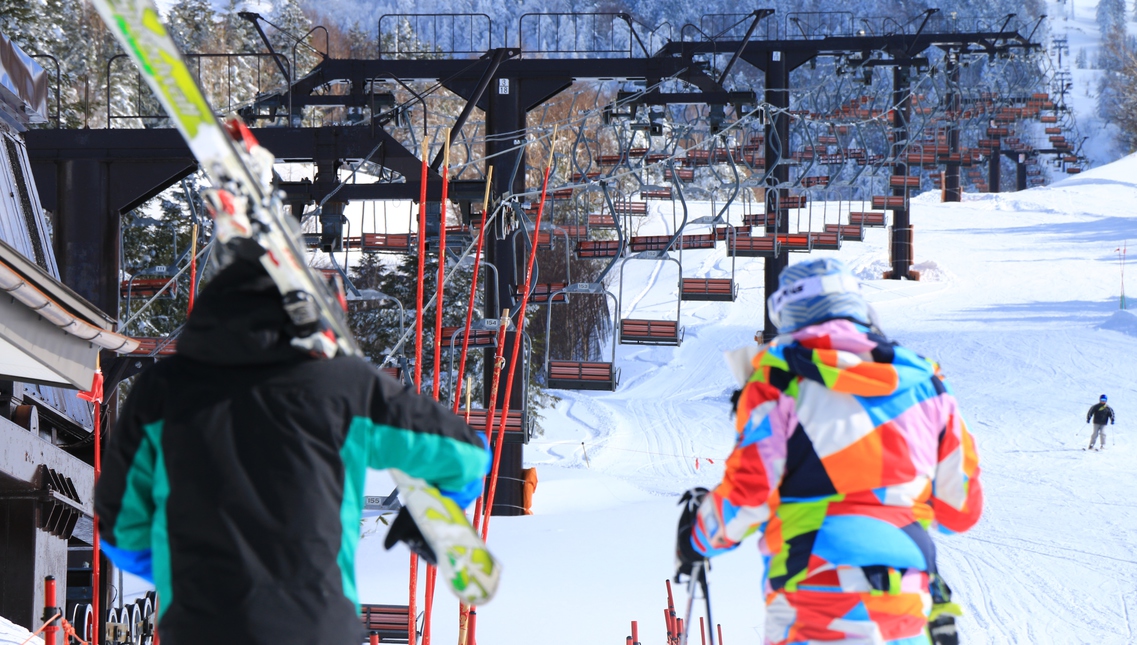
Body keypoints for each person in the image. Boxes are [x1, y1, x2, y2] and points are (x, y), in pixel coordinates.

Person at [94, 255, 490, 645]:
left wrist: (187, 578)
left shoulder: (161, 391)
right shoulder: (345, 387)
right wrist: (429, 513)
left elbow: (119, 531)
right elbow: (467, 457)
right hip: (318, 628)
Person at [676, 258, 983, 645]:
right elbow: (960, 510)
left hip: (814, 594)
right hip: (904, 600)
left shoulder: (780, 378)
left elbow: (748, 499)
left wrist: (695, 540)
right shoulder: (927, 384)